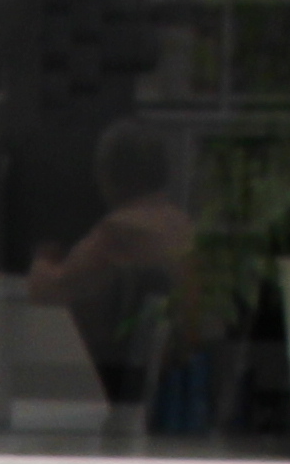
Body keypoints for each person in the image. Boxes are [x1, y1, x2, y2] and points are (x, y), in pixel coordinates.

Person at [22, 112, 200, 401]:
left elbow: (51, 292)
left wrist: (42, 260)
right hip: (180, 381)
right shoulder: (181, 224)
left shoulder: (121, 231)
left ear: (113, 174)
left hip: (123, 386)